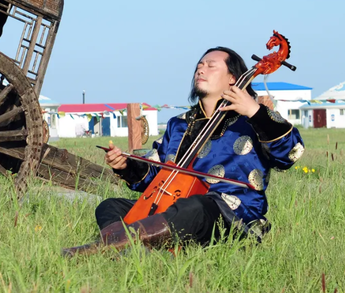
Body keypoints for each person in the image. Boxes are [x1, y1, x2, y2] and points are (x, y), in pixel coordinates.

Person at [62, 47, 305, 257]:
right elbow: (155, 176)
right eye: (199, 65)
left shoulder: (254, 118)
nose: (201, 69)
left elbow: (290, 154)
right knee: (110, 206)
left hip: (231, 214)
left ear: (233, 78)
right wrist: (126, 166)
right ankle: (134, 251)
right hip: (174, 206)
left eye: (211, 66)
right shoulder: (179, 124)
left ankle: (100, 249)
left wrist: (254, 111)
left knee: (195, 207)